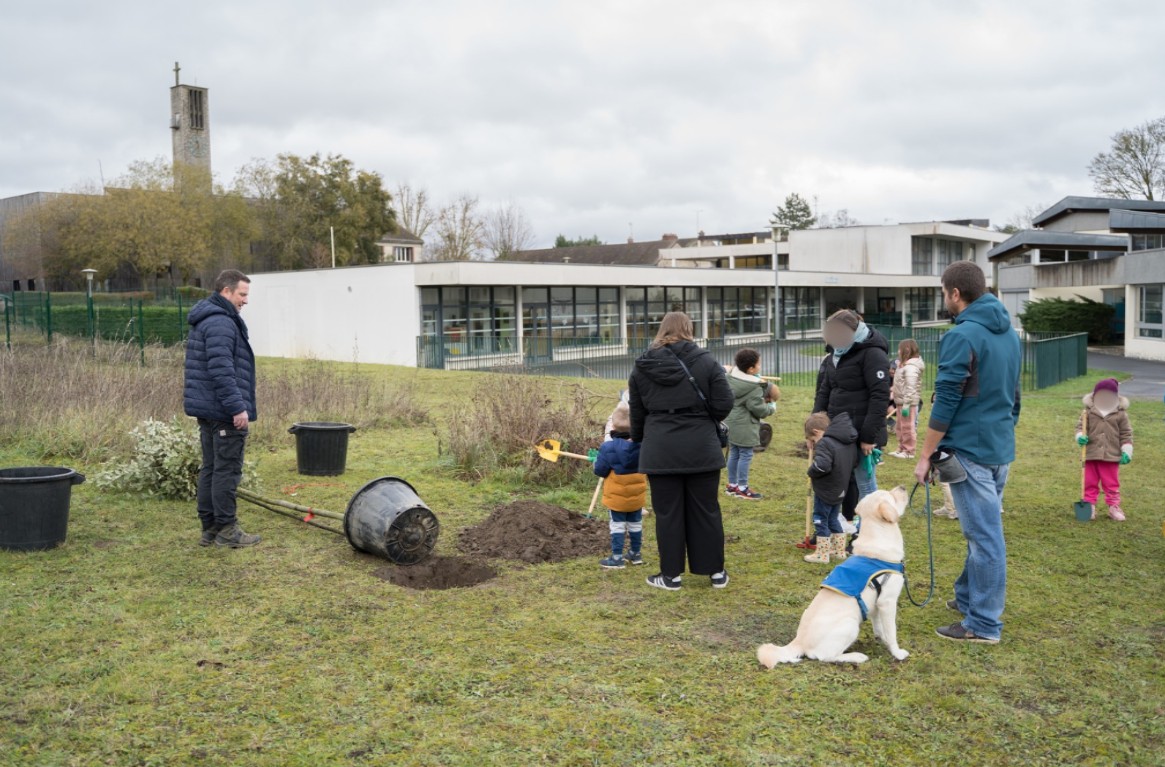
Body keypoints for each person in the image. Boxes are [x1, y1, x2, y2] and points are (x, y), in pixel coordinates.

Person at [914, 261, 1021, 645]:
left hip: (970, 452)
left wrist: (925, 455)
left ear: (955, 293)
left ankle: (984, 625)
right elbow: (1015, 395)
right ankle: (965, 599)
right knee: (982, 531)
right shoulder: (1011, 333)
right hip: (999, 447)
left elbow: (946, 400)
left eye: (944, 292)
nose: (944, 299)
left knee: (984, 537)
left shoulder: (962, 336)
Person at [629, 312, 734, 592]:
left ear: (662, 330)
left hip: (660, 447)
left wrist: (641, 441)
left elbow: (636, 412)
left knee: (668, 513)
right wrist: (703, 416)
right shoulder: (707, 361)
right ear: (689, 329)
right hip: (701, 445)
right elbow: (724, 403)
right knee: (706, 510)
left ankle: (670, 575)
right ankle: (716, 572)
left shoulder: (642, 365)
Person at [184, 269, 261, 548]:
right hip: (223, 411)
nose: (245, 300)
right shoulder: (221, 323)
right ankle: (227, 530)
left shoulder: (210, 318)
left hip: (209, 409)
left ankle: (211, 529)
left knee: (212, 468)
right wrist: (237, 408)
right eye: (242, 294)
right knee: (225, 471)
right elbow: (221, 371)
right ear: (226, 292)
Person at [813, 309, 891, 502]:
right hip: (838, 430)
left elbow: (879, 397)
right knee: (839, 478)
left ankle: (869, 526)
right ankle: (844, 522)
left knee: (865, 482)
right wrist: (814, 425)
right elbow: (825, 391)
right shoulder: (835, 354)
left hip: (861, 431)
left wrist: (867, 437)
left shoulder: (873, 354)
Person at [593, 402, 648, 568]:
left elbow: (600, 471)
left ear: (614, 425)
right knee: (635, 524)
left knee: (617, 526)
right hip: (637, 496)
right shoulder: (643, 445)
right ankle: (635, 554)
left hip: (616, 497)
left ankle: (617, 558)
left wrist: (596, 462)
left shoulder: (608, 447)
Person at [802, 411, 858, 565]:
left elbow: (822, 466)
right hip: (840, 489)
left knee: (820, 519)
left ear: (816, 432)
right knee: (834, 518)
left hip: (826, 490)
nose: (814, 443)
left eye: (812, 440)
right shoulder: (845, 441)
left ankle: (822, 553)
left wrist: (811, 471)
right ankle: (839, 551)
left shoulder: (825, 443)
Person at [1076, 378, 1133, 521]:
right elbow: (1079, 427)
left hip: (1111, 456)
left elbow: (1126, 433)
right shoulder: (1087, 412)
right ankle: (1089, 506)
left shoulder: (1120, 414)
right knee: (1089, 482)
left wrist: (1126, 450)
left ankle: (1114, 506)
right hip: (1090, 454)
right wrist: (1080, 436)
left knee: (1111, 483)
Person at [724, 348, 777, 500]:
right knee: (746, 454)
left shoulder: (730, 377)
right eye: (758, 364)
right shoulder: (754, 388)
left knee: (734, 452)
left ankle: (732, 485)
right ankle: (742, 488)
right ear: (751, 368)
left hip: (730, 423)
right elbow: (759, 410)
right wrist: (771, 408)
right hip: (744, 426)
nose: (760, 367)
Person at [888, 339, 925, 459]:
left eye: (900, 349)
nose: (898, 351)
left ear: (907, 350)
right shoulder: (903, 365)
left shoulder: (911, 367)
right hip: (900, 401)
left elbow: (911, 386)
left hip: (907, 402)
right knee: (900, 426)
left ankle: (909, 451)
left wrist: (907, 404)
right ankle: (901, 448)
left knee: (908, 427)